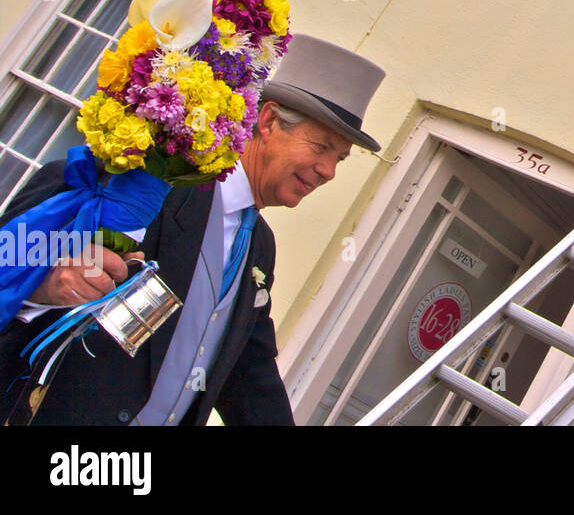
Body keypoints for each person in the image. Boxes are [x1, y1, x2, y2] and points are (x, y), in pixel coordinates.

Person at [0, 33, 385, 425]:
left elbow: (250, 376)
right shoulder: (146, 183)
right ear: (268, 121)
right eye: (321, 147)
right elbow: (10, 258)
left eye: (339, 158)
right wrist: (43, 287)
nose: (329, 171)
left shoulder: (260, 246)